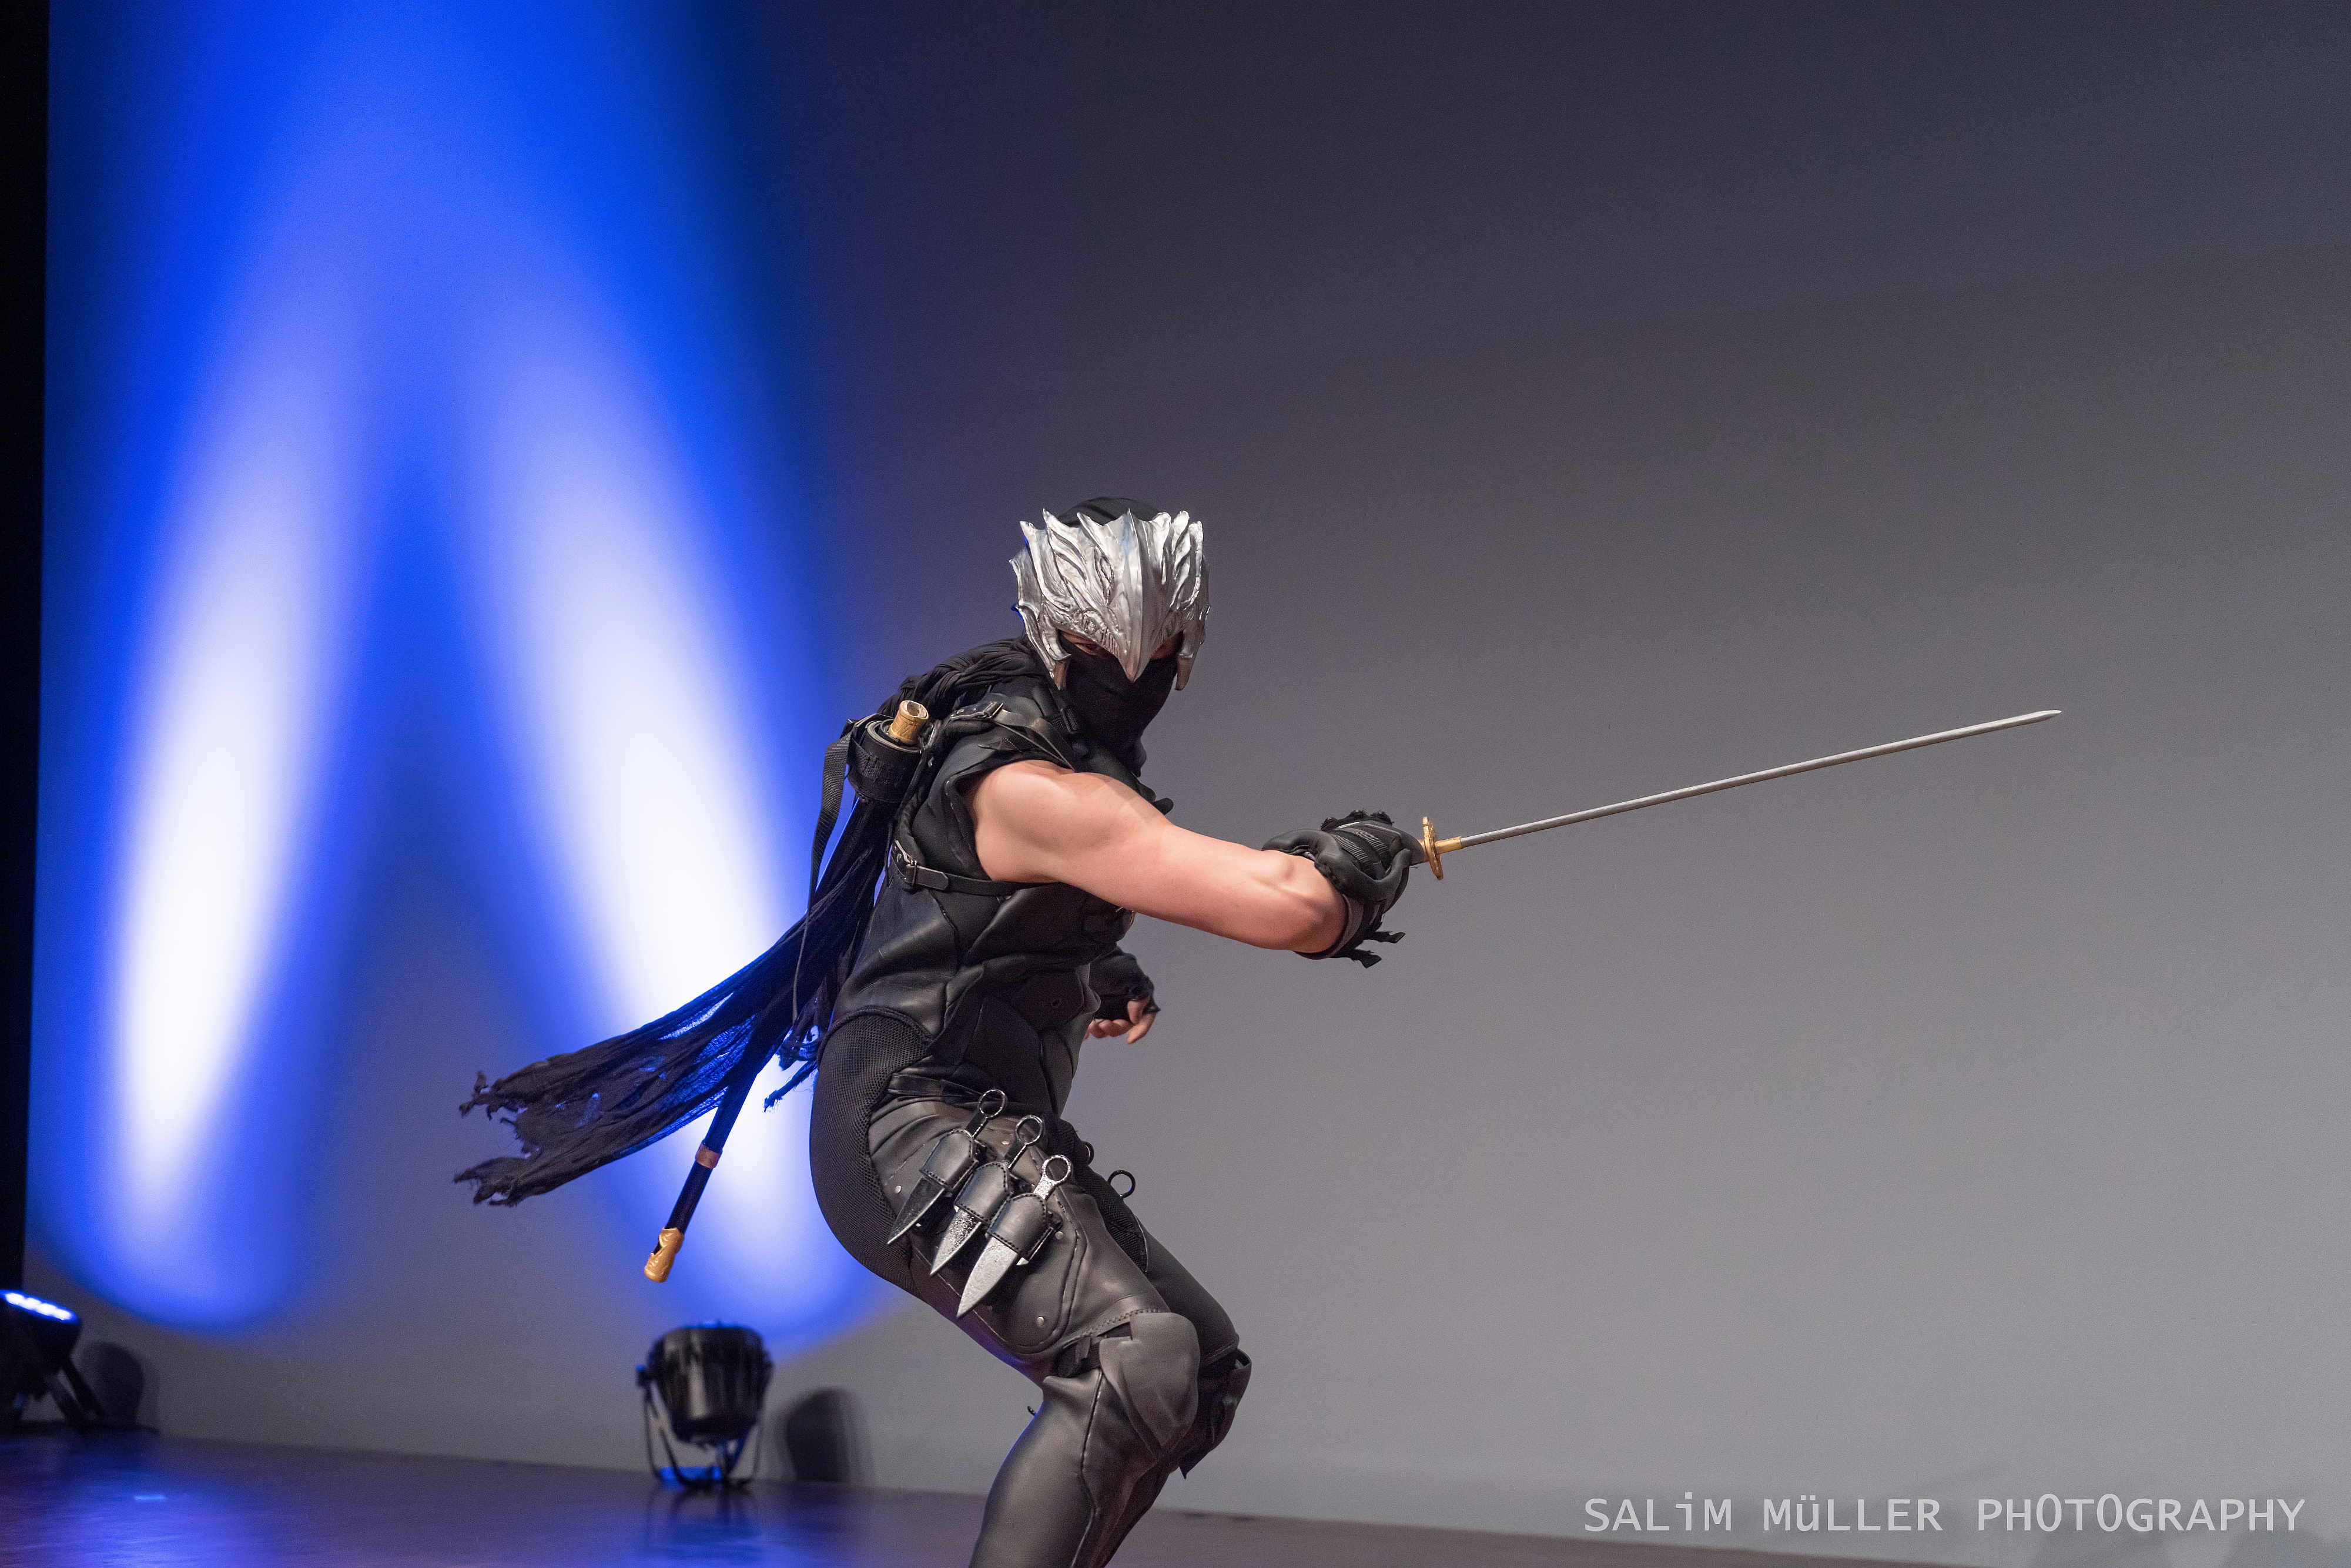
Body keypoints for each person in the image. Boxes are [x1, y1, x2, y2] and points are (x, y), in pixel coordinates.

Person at [458, 498, 1418, 1568]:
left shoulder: (1061, 763)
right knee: (1134, 1358)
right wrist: (1342, 875)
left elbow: (982, 915)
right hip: (902, 1129)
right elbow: (1290, 909)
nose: (1135, 674)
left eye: (1153, 655)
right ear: (1058, 634)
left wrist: (1086, 969)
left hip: (977, 1120)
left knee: (1195, 1368)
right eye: (1112, 650)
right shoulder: (1027, 782)